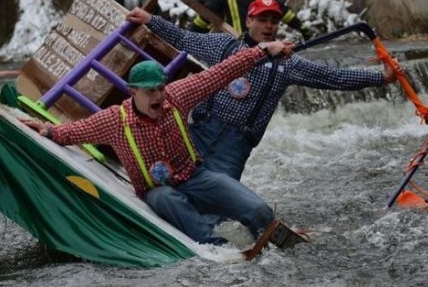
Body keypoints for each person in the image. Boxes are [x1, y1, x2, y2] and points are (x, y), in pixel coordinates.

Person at [22, 38, 293, 246]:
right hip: (157, 190)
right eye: (150, 91)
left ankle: (272, 241)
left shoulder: (176, 96)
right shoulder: (115, 120)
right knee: (164, 197)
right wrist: (46, 130)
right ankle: (220, 248)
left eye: (161, 88)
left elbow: (220, 73)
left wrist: (263, 50)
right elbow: (73, 132)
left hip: (196, 177)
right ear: (133, 92)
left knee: (258, 210)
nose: (158, 97)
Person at [127, 0, 399, 181]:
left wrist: (380, 78)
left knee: (215, 202)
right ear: (248, 22)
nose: (269, 26)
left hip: (235, 146)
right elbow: (183, 38)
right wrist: (151, 19)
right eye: (262, 19)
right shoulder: (223, 46)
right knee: (169, 183)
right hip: (199, 133)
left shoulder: (289, 63)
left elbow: (333, 77)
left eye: (274, 21)